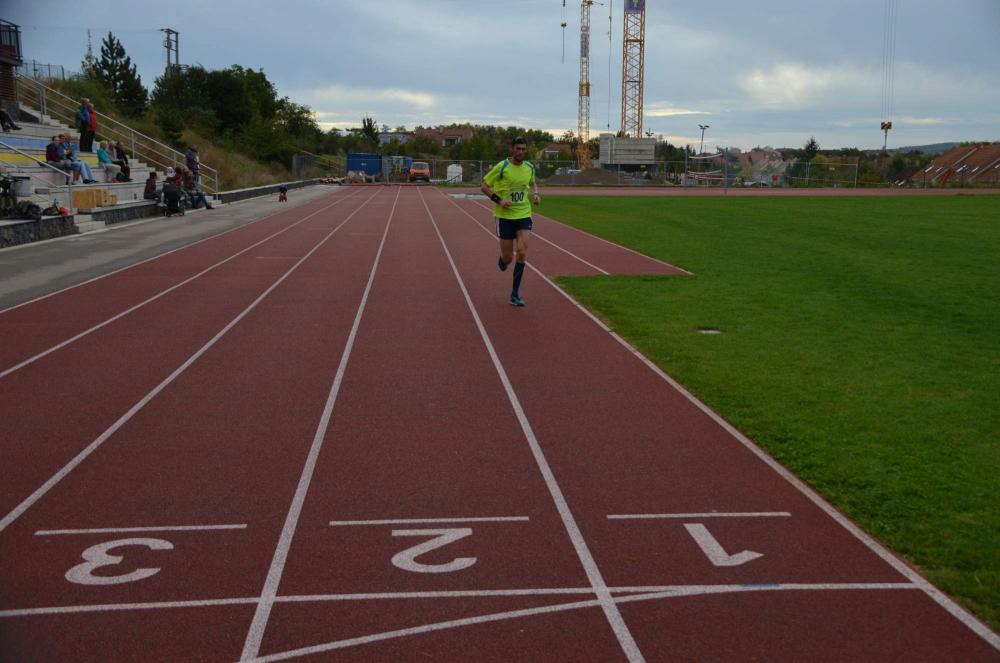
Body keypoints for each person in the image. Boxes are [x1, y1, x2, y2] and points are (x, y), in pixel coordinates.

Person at [480, 136, 540, 307]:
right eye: (518, 149)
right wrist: (499, 200)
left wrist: (536, 194)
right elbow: (484, 186)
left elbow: (533, 183)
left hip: (523, 214)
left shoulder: (529, 167)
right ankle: (503, 259)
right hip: (504, 217)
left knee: (521, 252)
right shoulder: (502, 166)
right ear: (512, 149)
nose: (520, 152)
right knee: (508, 258)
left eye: (523, 149)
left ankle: (514, 294)